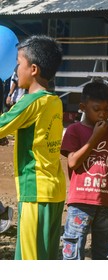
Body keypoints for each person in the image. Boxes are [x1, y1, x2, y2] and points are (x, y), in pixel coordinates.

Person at [0, 35, 65, 260]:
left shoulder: (31, 102)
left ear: (34, 68)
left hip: (35, 192)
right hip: (54, 191)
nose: (15, 69)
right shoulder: (54, 100)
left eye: (19, 63)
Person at [61, 81, 108, 260]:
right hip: (80, 203)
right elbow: (73, 161)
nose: (103, 114)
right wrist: (95, 137)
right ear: (83, 107)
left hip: (106, 204)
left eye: (106, 110)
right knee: (73, 251)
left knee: (104, 252)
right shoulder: (74, 130)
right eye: (97, 109)